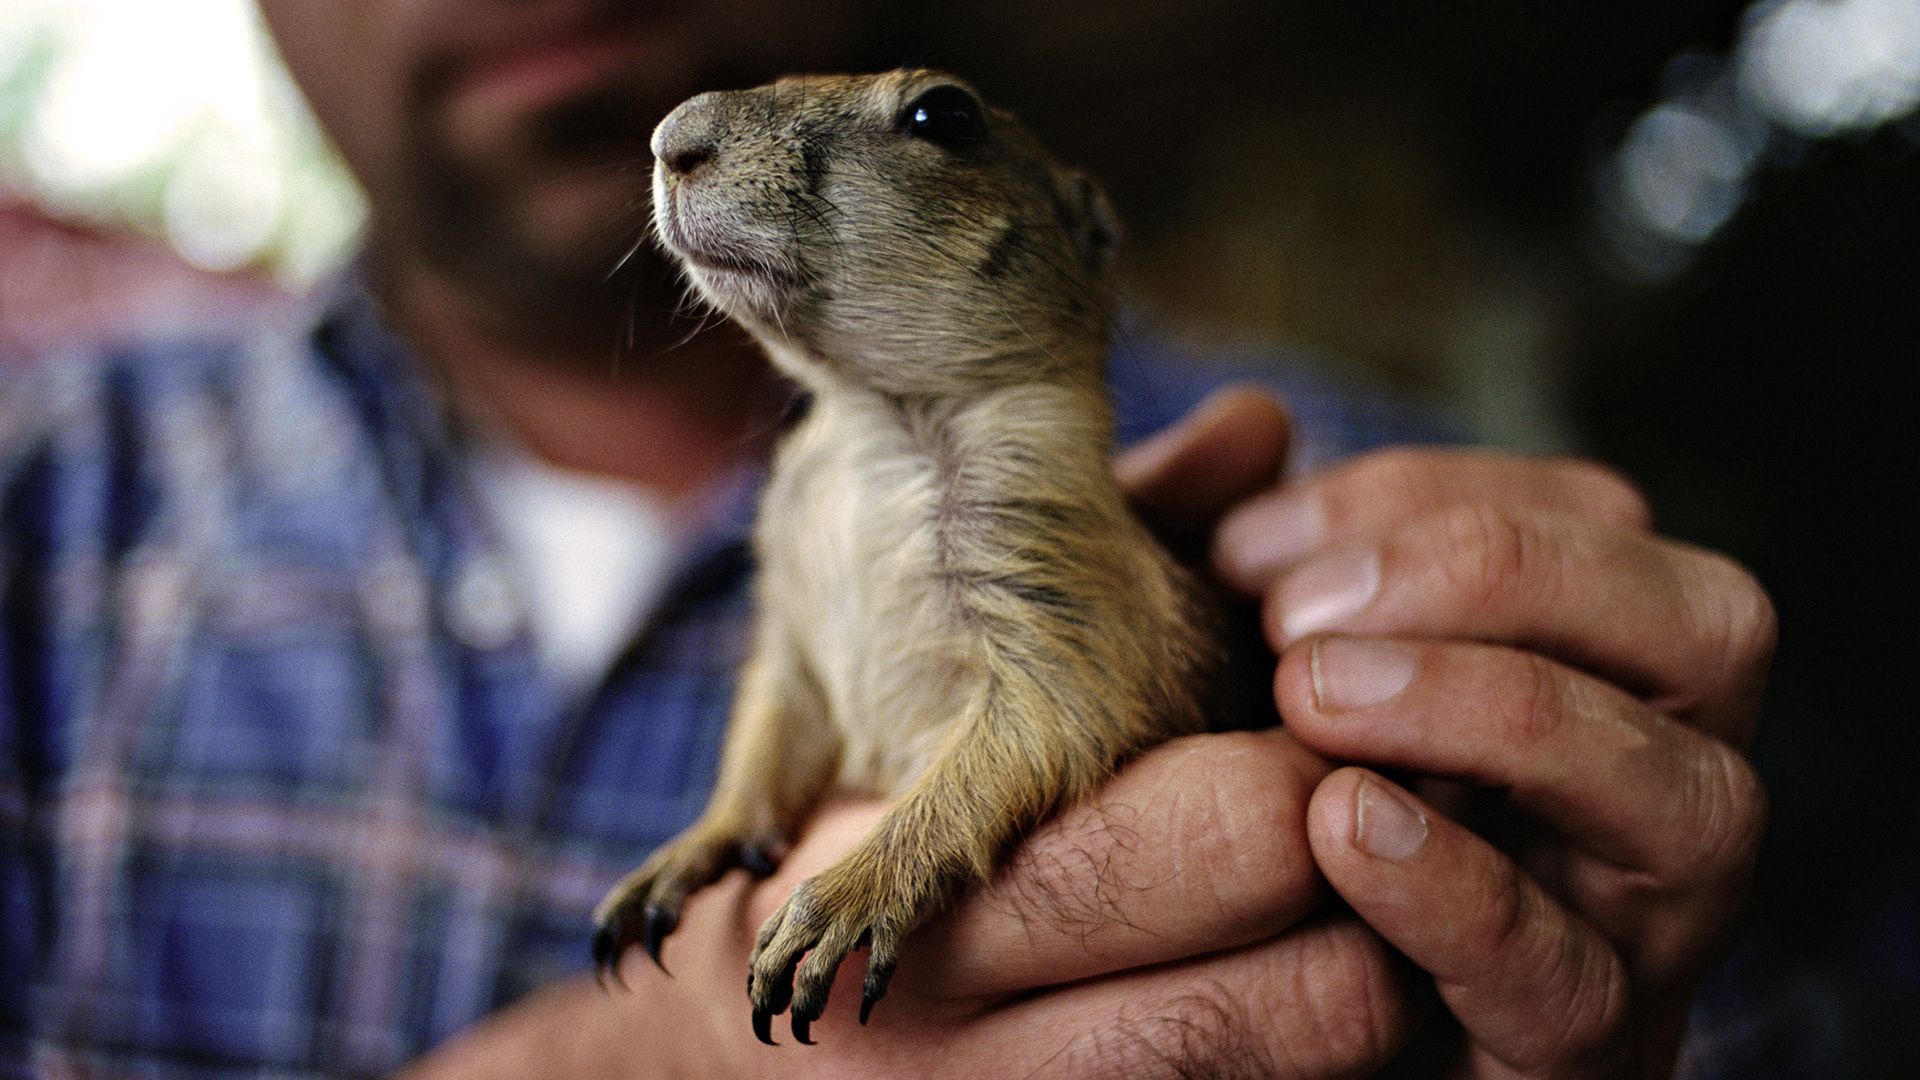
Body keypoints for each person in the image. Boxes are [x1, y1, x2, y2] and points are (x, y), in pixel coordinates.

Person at [0, 1, 1774, 1076]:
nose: (680, 148)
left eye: (921, 131)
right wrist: (723, 859)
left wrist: (1596, 989)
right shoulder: (52, 506)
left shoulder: (1348, 476)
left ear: (1063, 238)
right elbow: (798, 668)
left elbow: (1060, 708)